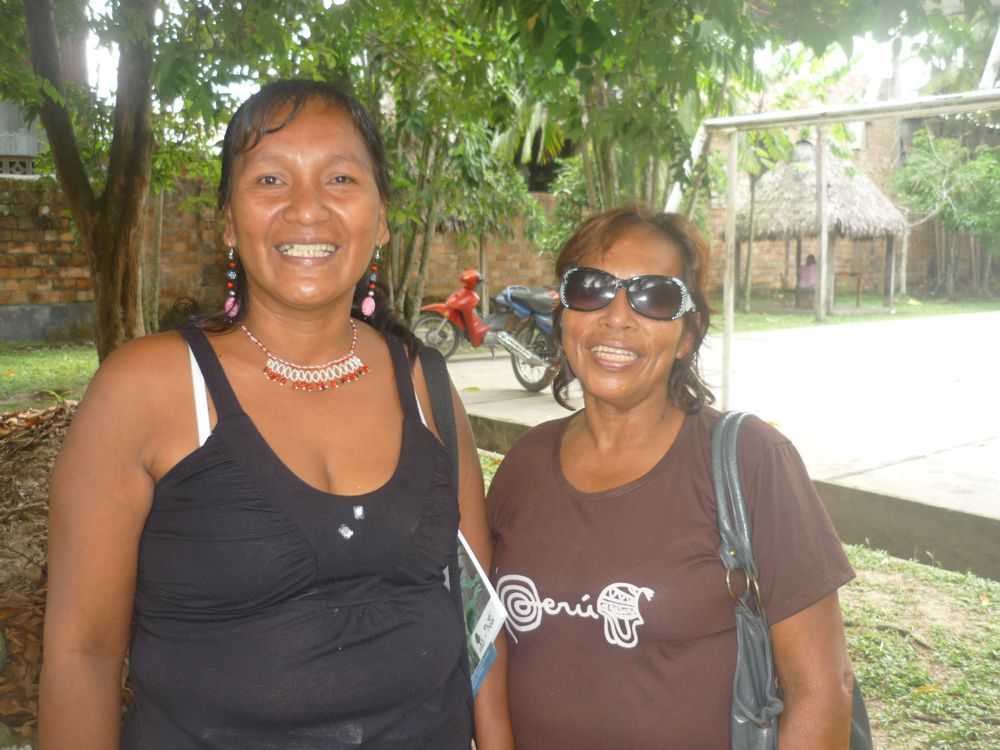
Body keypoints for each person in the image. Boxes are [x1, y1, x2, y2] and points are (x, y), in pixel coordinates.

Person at [39, 79, 512, 749]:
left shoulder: (427, 387)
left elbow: (475, 622)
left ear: (381, 218)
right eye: (270, 180)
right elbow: (80, 656)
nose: (307, 209)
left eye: (341, 178)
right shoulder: (147, 391)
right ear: (229, 221)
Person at [487, 206, 857, 748]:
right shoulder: (524, 464)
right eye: (591, 287)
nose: (617, 316)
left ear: (687, 336)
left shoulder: (752, 460)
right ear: (563, 312)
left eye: (654, 296)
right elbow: (487, 645)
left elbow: (822, 687)